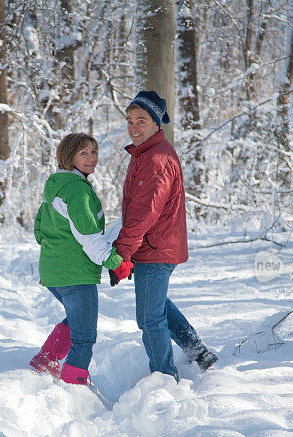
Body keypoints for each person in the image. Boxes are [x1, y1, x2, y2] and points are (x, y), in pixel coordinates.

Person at [112, 90, 218, 380]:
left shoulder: (155, 159)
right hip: (154, 246)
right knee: (156, 306)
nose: (134, 127)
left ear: (157, 124)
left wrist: (122, 252)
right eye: (130, 120)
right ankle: (199, 353)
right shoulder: (148, 153)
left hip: (154, 247)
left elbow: (144, 213)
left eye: (141, 121)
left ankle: (164, 378)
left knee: (148, 317)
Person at [30, 133, 134, 385]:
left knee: (78, 320)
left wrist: (59, 247)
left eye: (94, 152)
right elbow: (89, 238)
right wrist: (115, 263)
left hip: (54, 272)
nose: (92, 158)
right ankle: (73, 384)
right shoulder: (77, 190)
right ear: (69, 157)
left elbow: (38, 231)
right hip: (74, 274)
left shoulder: (56, 186)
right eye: (83, 153)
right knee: (84, 336)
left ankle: (46, 359)